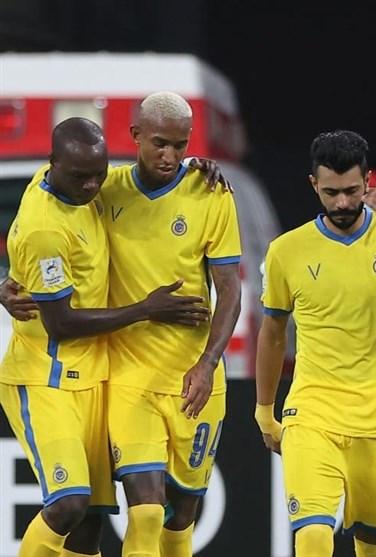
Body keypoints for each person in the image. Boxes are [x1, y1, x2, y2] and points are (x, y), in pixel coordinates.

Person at [0, 117, 210, 557]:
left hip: (94, 376)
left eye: (99, 173)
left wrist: (193, 166)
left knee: (90, 523)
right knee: (69, 504)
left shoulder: (71, 183)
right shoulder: (46, 230)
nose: (93, 186)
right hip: (46, 378)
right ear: (54, 163)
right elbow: (61, 323)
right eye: (82, 176)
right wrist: (145, 310)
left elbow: (140, 176)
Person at [254, 130, 376, 557]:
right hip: (313, 413)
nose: (342, 203)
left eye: (352, 191)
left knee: (375, 547)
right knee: (313, 535)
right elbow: (273, 332)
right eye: (331, 193)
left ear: (369, 182)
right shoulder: (286, 250)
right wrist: (264, 409)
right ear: (314, 184)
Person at [91, 91, 242, 557]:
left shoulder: (210, 193)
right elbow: (46, 219)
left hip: (193, 381)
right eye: (160, 143)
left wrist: (207, 363)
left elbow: (230, 291)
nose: (170, 156)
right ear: (135, 135)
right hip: (130, 378)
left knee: (181, 515)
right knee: (146, 512)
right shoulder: (106, 190)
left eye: (181, 145)